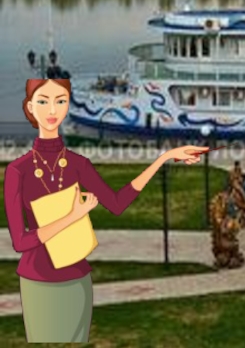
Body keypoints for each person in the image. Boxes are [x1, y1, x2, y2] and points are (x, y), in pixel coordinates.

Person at [4, 79, 206, 343]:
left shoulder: (78, 164)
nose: (52, 110)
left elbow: (117, 203)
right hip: (37, 281)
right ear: (30, 107)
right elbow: (21, 242)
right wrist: (73, 217)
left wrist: (162, 159)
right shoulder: (18, 171)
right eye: (43, 102)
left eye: (60, 101)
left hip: (76, 279)